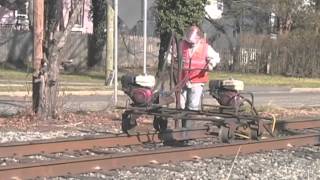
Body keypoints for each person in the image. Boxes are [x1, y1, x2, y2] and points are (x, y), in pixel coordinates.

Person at [179, 25, 220, 128]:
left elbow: (216, 57)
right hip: (183, 79)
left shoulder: (206, 47)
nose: (190, 44)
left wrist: (211, 63)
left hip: (197, 80)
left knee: (192, 105)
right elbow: (171, 54)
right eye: (189, 42)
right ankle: (183, 127)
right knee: (181, 105)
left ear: (199, 39)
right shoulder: (181, 45)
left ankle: (188, 129)